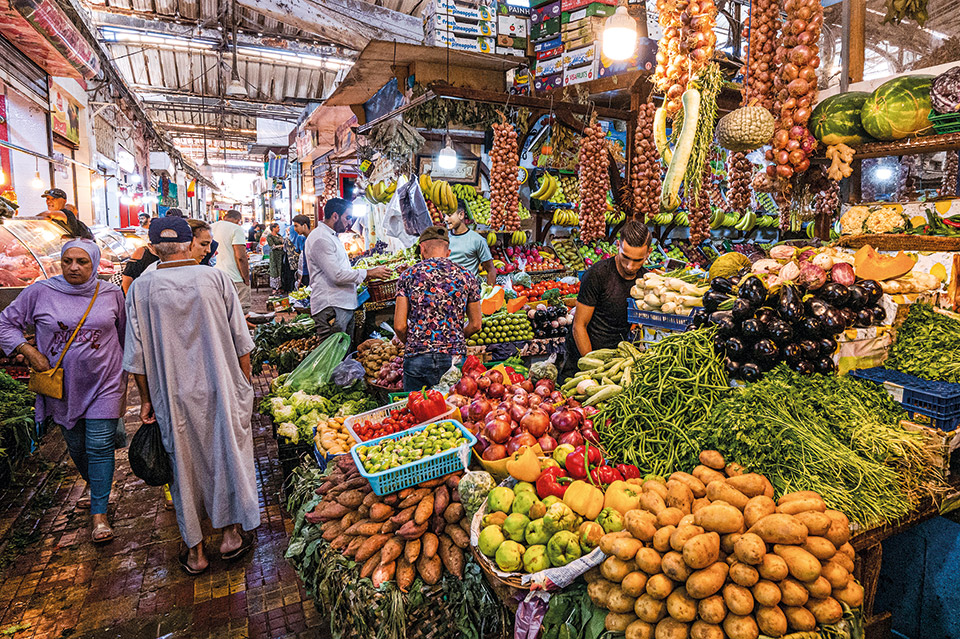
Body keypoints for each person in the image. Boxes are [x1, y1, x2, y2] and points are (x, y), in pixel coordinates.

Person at [123, 217, 259, 575]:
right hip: (221, 384)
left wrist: (146, 399)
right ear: (189, 244)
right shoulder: (213, 278)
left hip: (171, 391)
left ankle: (196, 551)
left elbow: (136, 357)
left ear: (152, 248)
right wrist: (244, 380)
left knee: (182, 466)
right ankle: (230, 535)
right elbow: (241, 338)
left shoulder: (140, 288)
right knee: (226, 452)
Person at [0, 239, 126, 543]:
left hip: (105, 382)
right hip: (61, 386)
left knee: (98, 445)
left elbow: (124, 335)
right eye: (68, 260)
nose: (74, 267)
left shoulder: (110, 293)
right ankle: (95, 485)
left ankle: (99, 513)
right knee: (76, 444)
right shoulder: (40, 292)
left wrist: (130, 379)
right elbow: (5, 324)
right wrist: (30, 352)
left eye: (82, 262)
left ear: (94, 263)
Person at [560, 221, 651, 381]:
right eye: (626, 257)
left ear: (648, 253)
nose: (630, 266)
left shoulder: (645, 280)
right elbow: (579, 326)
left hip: (615, 362)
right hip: (584, 359)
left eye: (638, 260)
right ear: (618, 246)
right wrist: (592, 367)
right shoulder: (598, 274)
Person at [394, 226, 482, 391]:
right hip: (453, 358)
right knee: (453, 408)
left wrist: (414, 342)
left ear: (422, 249)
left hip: (417, 357)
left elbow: (399, 326)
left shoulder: (407, 276)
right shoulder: (467, 276)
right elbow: (476, 324)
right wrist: (457, 338)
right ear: (448, 252)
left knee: (416, 412)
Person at [303, 198, 391, 337]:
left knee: (343, 353)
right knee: (333, 354)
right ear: (335, 216)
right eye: (348, 218)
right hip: (332, 306)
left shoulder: (331, 236)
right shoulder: (321, 239)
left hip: (341, 304)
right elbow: (337, 275)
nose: (350, 223)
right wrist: (369, 273)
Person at [445, 200, 497, 286]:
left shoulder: (477, 240)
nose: (446, 219)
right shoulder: (444, 239)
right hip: (447, 291)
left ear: (461, 215)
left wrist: (488, 294)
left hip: (469, 292)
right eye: (445, 215)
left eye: (449, 215)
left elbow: (491, 270)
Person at [210, 209, 251, 314]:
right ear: (238, 220)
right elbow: (241, 256)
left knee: (221, 311)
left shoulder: (211, 227)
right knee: (241, 313)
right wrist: (246, 278)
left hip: (214, 275)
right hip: (234, 277)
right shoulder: (236, 229)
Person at [292, 215, 312, 287]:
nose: (294, 229)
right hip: (304, 272)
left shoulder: (313, 240)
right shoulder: (301, 239)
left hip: (311, 273)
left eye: (296, 226)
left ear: (304, 225)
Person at [265, 223, 284, 293]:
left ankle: (280, 287)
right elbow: (272, 246)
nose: (279, 229)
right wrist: (281, 246)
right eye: (277, 227)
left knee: (280, 270)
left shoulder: (279, 236)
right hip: (274, 256)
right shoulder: (270, 237)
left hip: (281, 255)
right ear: (273, 228)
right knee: (274, 270)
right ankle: (274, 287)